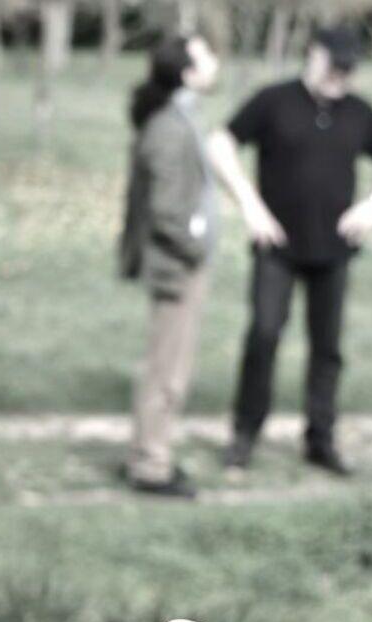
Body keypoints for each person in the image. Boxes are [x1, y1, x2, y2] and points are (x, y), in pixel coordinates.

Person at [205, 27, 372, 477]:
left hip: (334, 249)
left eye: (349, 69)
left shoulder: (358, 112)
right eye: (335, 66)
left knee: (327, 348)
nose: (341, 77)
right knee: (264, 335)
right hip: (276, 245)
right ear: (313, 57)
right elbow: (220, 142)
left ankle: (320, 439)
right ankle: (244, 434)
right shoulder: (275, 101)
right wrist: (250, 206)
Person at [119, 34, 221, 499]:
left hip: (181, 262)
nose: (215, 62)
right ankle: (150, 465)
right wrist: (196, 247)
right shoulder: (168, 127)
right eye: (205, 57)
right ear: (185, 71)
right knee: (166, 369)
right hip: (176, 266)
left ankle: (151, 454)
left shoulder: (180, 118)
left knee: (170, 365)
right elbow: (165, 210)